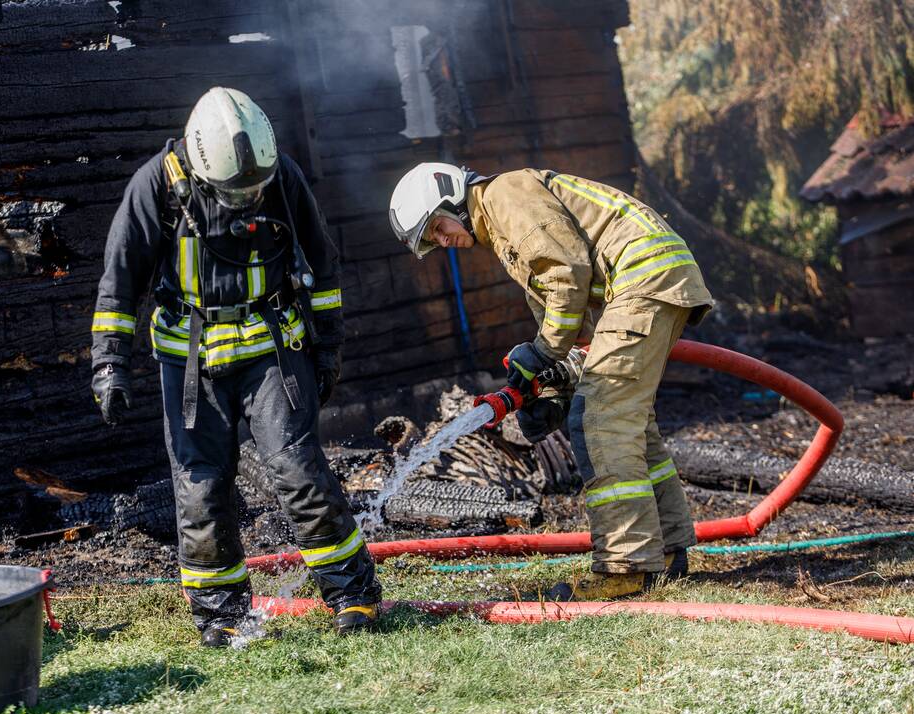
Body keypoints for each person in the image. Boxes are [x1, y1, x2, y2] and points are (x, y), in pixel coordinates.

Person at [90, 87, 381, 645]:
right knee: (199, 490)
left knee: (298, 473)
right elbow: (119, 281)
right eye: (235, 190)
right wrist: (110, 365)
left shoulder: (283, 175)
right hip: (190, 363)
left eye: (256, 188)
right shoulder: (156, 186)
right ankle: (224, 618)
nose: (248, 198)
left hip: (271, 351)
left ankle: (352, 597)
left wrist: (327, 347)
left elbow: (322, 263)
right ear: (202, 169)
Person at [388, 163, 714, 600]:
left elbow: (565, 276)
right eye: (433, 242)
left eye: (437, 229)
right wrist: (552, 390)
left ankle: (626, 566)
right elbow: (572, 330)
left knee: (601, 421)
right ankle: (668, 548)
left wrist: (540, 354)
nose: (443, 242)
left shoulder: (505, 195)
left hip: (641, 277)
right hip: (649, 278)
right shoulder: (506, 234)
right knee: (629, 424)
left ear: (448, 197)